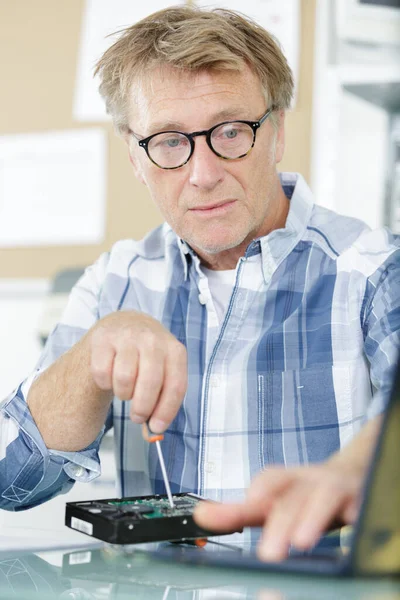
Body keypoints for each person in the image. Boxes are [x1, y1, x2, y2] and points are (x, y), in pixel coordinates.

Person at [0, 7, 398, 561]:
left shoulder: (376, 271)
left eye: (231, 132)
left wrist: (366, 470)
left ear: (277, 131)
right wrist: (94, 352)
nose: (203, 173)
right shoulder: (115, 281)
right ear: (136, 157)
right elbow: (14, 483)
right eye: (168, 142)